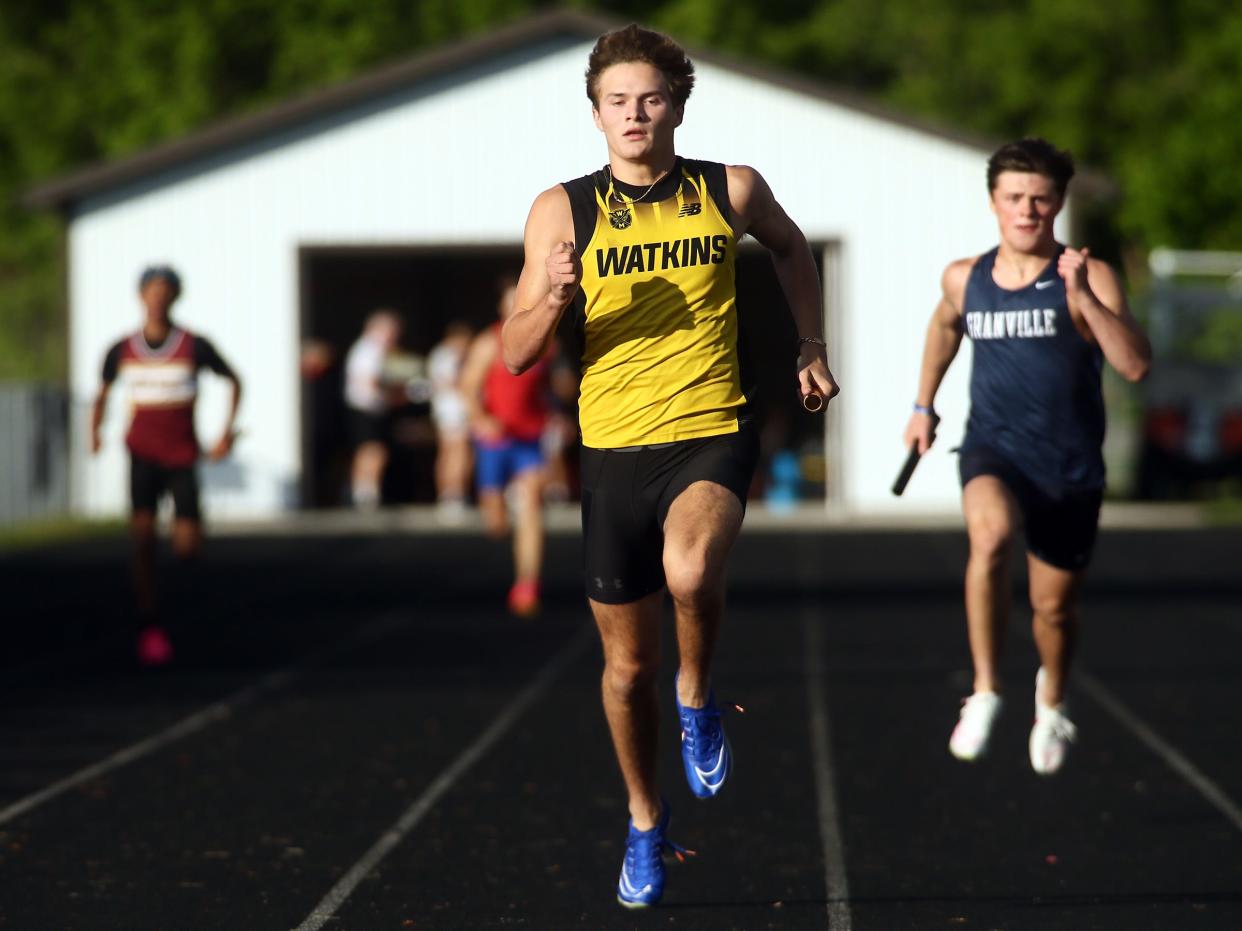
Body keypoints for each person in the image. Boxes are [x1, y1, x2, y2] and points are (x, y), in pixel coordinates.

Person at [501, 24, 838, 907]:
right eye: (618, 101)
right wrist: (558, 299)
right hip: (611, 451)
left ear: (678, 105)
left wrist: (809, 342)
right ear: (597, 114)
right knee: (623, 671)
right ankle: (646, 820)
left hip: (711, 428)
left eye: (651, 98)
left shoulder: (728, 189)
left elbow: (794, 247)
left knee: (692, 569)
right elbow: (513, 351)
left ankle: (700, 693)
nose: (635, 114)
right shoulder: (559, 211)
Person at [902, 138, 1151, 775]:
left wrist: (1086, 302)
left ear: (1060, 203)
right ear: (994, 202)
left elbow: (1134, 365)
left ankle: (1054, 699)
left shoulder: (1087, 275)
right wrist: (923, 406)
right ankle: (985, 690)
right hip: (994, 449)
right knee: (989, 538)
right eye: (1015, 198)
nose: (1027, 210)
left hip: (1069, 467)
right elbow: (943, 326)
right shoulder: (966, 277)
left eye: (1040, 199)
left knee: (1053, 610)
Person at [91, 265, 242, 666]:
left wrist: (225, 434)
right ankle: (148, 621)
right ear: (140, 297)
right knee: (142, 539)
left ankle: (184, 602)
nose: (157, 299)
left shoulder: (194, 346)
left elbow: (234, 380)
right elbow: (102, 393)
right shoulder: (121, 349)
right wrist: (96, 432)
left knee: (187, 547)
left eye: (165, 292)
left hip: (182, 455)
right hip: (142, 453)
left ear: (175, 297)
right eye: (151, 291)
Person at [460, 279, 551, 617]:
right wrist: (481, 419)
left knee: (531, 507)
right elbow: (467, 388)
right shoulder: (488, 342)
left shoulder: (546, 339)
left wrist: (556, 408)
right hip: (495, 440)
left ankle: (527, 584)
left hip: (529, 437)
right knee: (497, 524)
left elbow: (553, 386)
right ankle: (503, 528)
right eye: (510, 300)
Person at [343, 310, 402, 509]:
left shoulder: (371, 349)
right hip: (366, 408)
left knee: (371, 450)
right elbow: (370, 381)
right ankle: (366, 492)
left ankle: (365, 490)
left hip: (371, 408)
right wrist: (394, 394)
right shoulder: (369, 349)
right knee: (372, 450)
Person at [427, 321, 474, 522]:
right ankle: (452, 494)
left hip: (450, 412)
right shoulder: (447, 356)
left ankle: (451, 494)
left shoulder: (441, 355)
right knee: (456, 453)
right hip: (452, 412)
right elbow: (455, 382)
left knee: (450, 453)